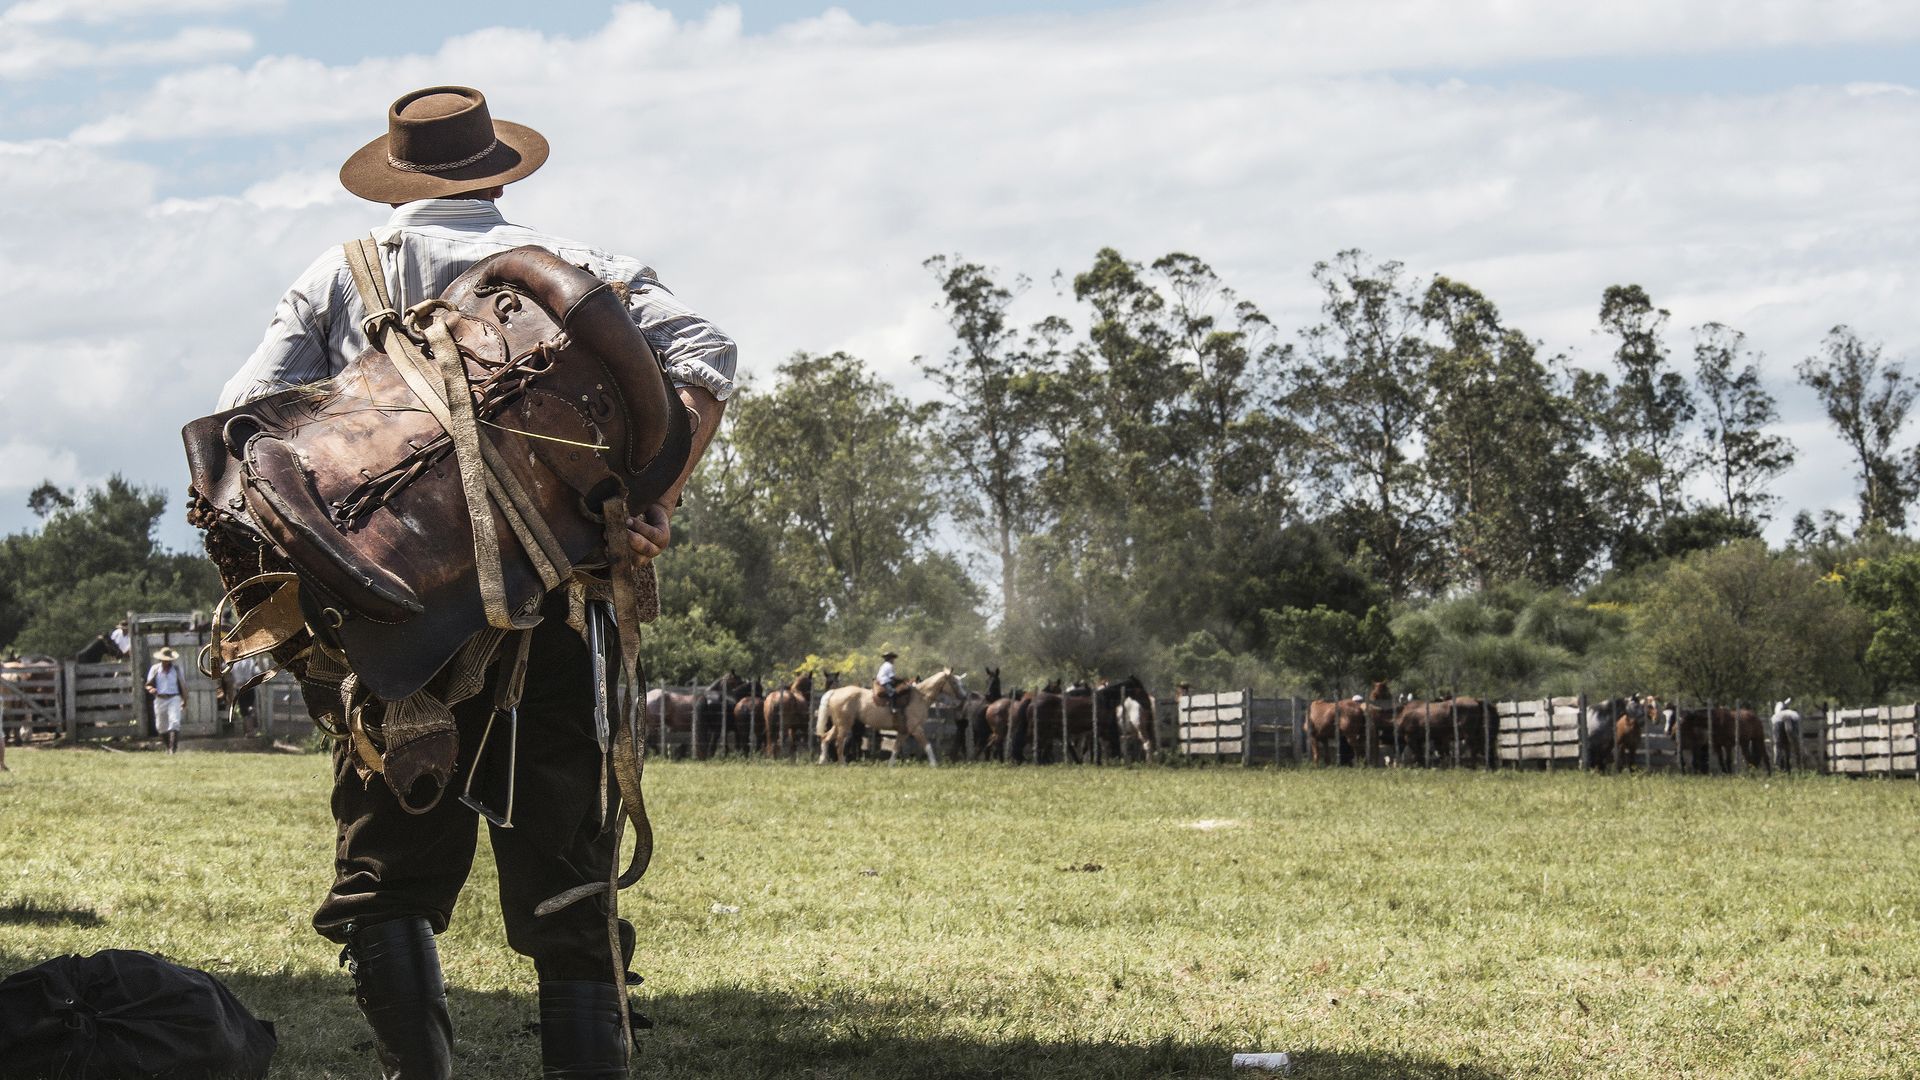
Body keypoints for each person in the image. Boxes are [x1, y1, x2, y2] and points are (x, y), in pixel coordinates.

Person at [221, 86, 733, 1080]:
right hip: (553, 604)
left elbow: (241, 413)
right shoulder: (577, 267)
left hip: (397, 624)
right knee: (567, 862)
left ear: (397, 179)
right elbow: (707, 354)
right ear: (499, 171)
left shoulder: (344, 274)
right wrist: (653, 499)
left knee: (386, 872)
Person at [146, 647, 185, 755]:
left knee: (174, 722)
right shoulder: (155, 669)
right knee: (161, 726)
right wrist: (152, 689)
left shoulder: (176, 669)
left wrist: (184, 699)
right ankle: (168, 747)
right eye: (165, 659)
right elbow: (148, 684)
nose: (167, 661)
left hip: (174, 697)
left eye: (169, 660)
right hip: (160, 698)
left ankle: (173, 749)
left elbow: (183, 685)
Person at [1771, 698, 1802, 774]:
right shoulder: (1793, 713)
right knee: (1794, 746)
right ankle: (1797, 767)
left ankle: (1778, 768)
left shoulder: (1775, 716)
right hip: (1793, 719)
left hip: (1777, 722)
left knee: (1778, 746)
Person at [874, 650, 901, 714]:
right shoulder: (889, 665)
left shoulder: (884, 665)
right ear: (890, 659)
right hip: (885, 682)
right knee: (893, 692)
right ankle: (893, 708)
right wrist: (900, 680)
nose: (894, 660)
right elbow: (892, 677)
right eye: (893, 659)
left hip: (884, 680)